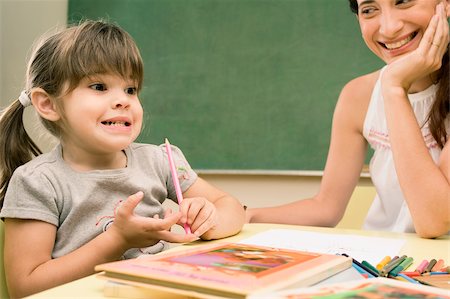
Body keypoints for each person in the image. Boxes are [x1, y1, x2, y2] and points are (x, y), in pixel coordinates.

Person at [0, 20, 245, 298]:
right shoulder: (37, 182)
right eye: (99, 86)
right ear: (48, 104)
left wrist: (209, 219)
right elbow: (25, 286)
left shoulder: (160, 160)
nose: (123, 101)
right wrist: (118, 239)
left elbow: (233, 208)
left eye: (130, 89)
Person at [247, 0, 450, 238]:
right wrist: (246, 215)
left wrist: (394, 88)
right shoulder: (358, 95)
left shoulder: (389, 86)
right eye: (369, 10)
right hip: (382, 263)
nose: (388, 28)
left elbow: (434, 221)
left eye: (403, 1)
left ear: (444, 3)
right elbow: (326, 208)